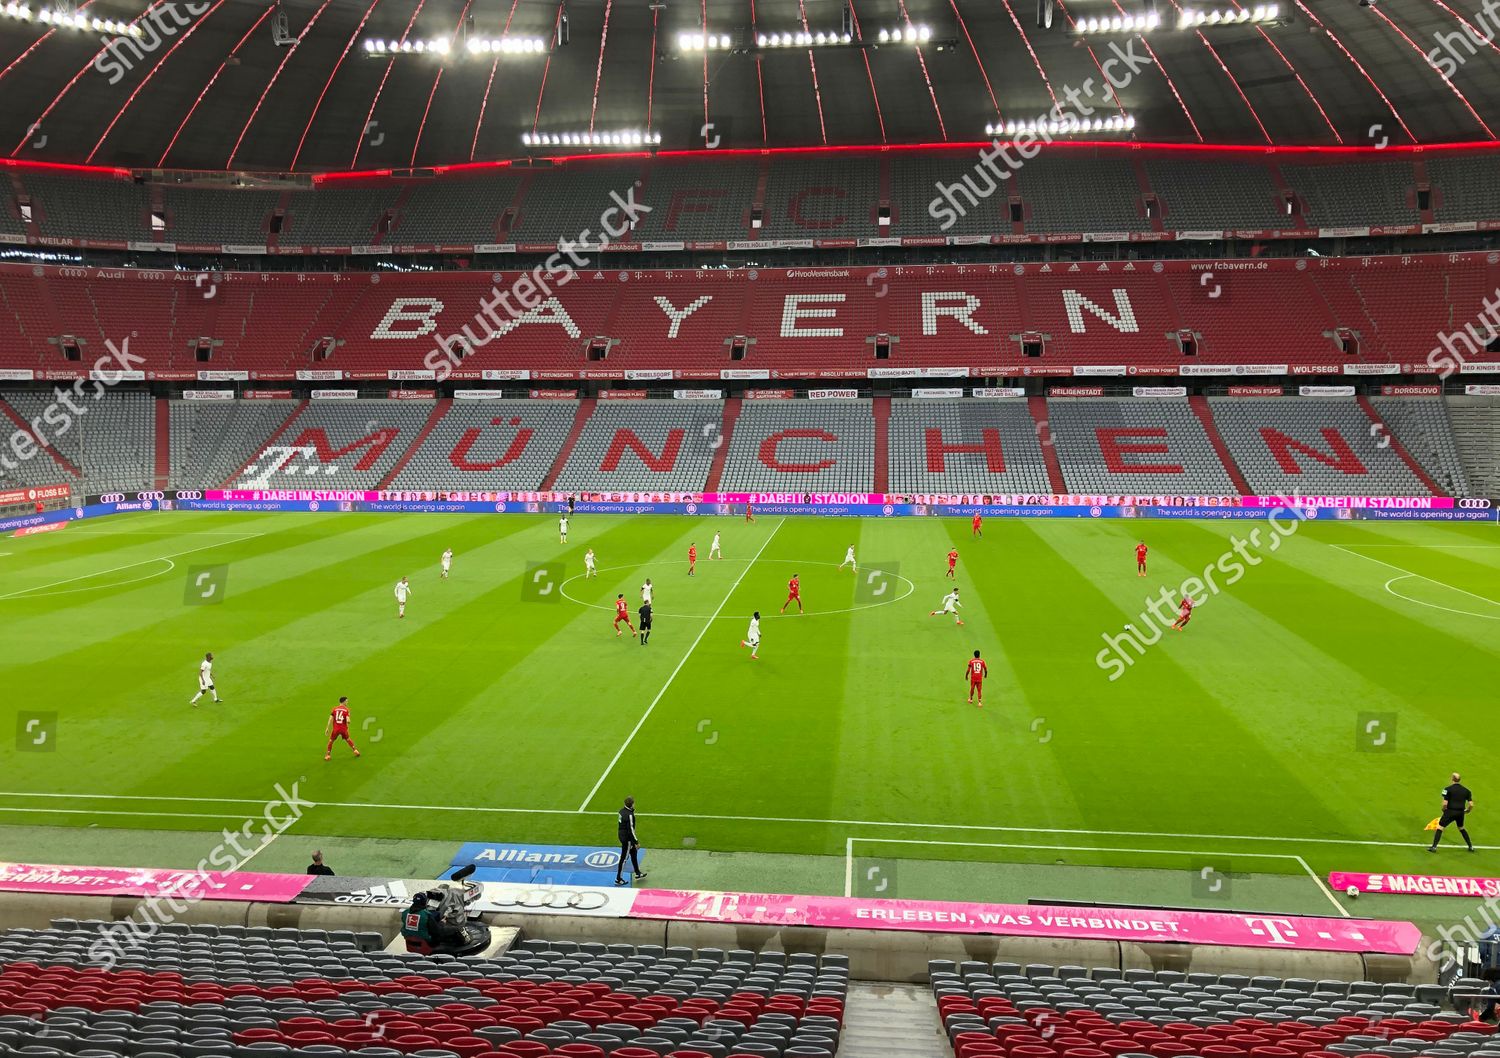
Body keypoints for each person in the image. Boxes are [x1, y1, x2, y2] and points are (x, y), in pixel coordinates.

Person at [1429, 772, 1476, 852]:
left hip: (1450, 811)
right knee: (1461, 828)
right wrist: (1467, 811)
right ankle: (1470, 846)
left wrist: (1444, 809)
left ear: (1452, 779)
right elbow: (1471, 804)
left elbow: (1445, 803)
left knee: (1440, 827)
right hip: (1460, 813)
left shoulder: (1447, 789)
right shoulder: (1467, 791)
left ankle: (1434, 847)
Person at [614, 796, 647, 886]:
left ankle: (637, 872)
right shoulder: (630, 815)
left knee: (633, 853)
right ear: (631, 804)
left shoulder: (621, 811)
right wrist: (636, 842)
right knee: (624, 858)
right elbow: (631, 830)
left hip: (621, 834)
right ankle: (618, 879)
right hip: (627, 838)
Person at [325, 697, 361, 761]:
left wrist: (327, 728)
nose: (347, 702)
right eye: (346, 701)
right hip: (343, 729)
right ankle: (355, 750)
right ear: (343, 702)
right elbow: (348, 720)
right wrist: (348, 720)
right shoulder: (346, 710)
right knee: (348, 739)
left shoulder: (334, 709)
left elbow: (330, 719)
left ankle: (328, 755)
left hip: (336, 729)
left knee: (331, 741)